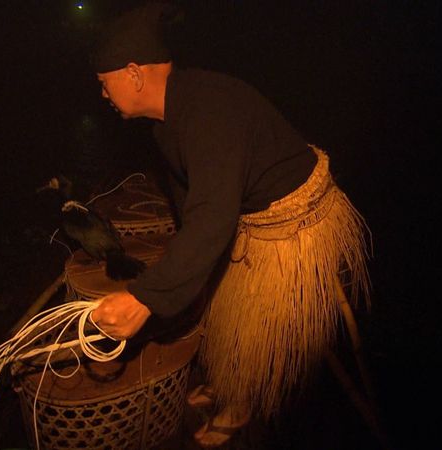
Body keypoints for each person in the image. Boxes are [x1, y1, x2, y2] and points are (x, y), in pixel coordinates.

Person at [89, 3, 371, 447]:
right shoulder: (166, 122)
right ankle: (226, 385)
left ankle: (248, 401)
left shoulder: (208, 109)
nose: (103, 96)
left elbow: (213, 214)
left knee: (262, 331)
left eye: (105, 84)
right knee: (224, 312)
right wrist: (183, 270)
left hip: (293, 227)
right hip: (245, 220)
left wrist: (146, 298)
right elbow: (191, 201)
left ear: (134, 73)